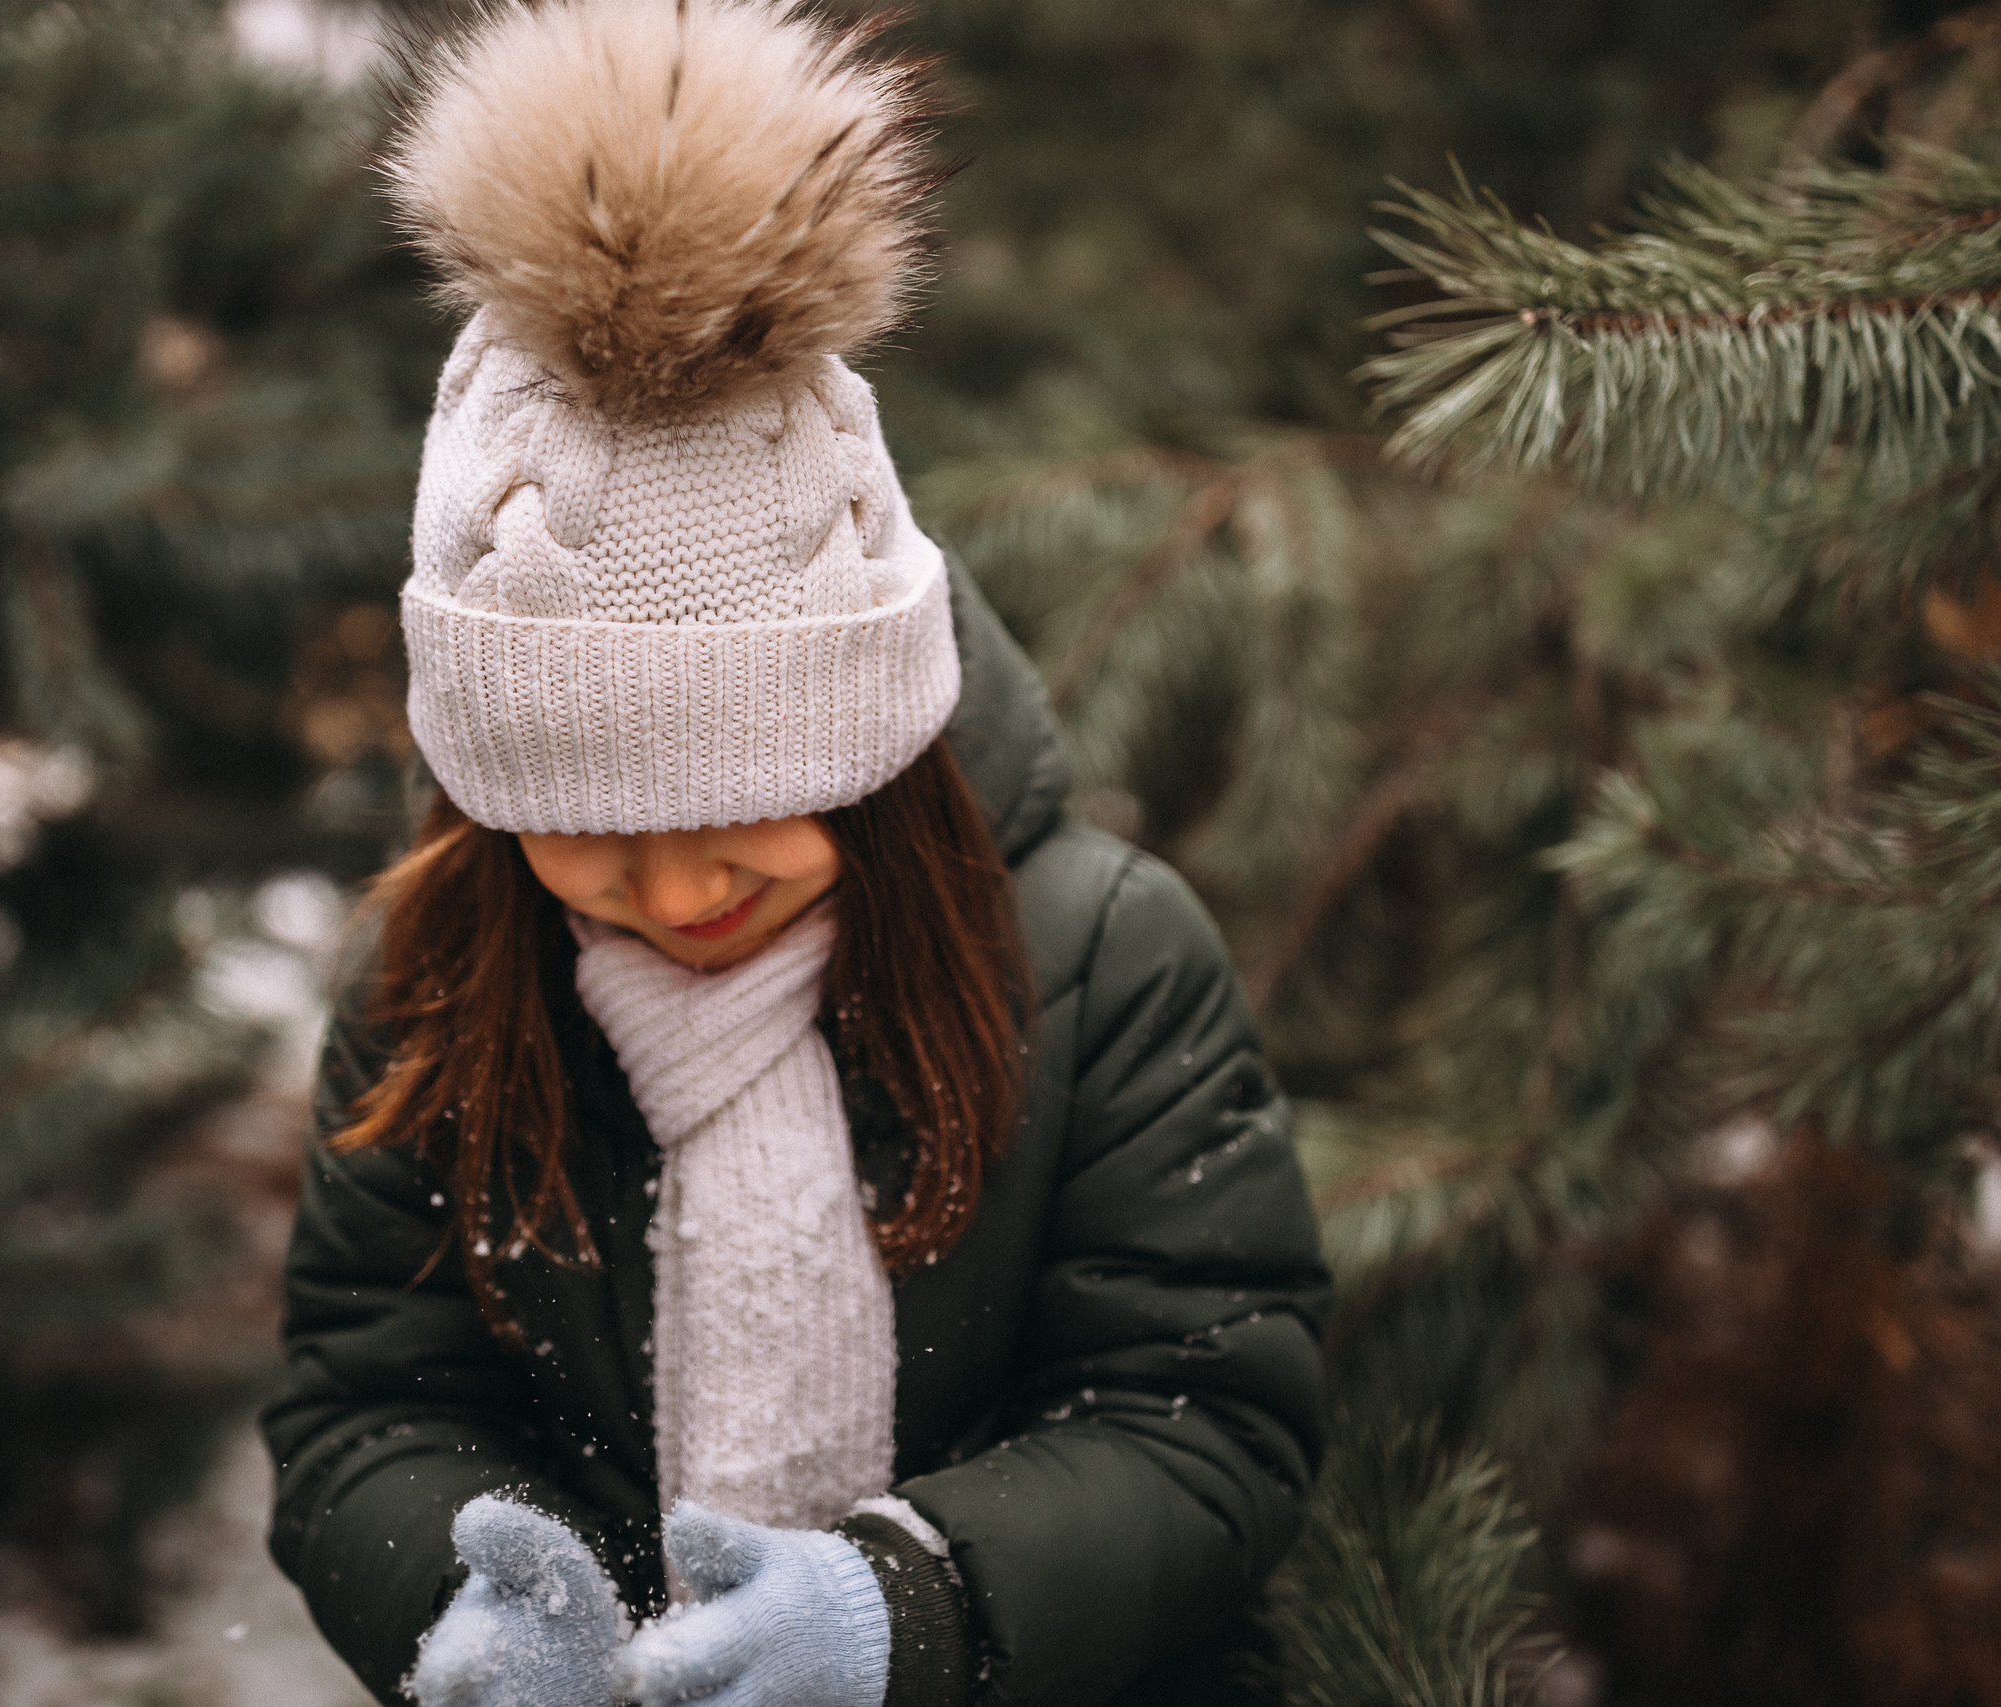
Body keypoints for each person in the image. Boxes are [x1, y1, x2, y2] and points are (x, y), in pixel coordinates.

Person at [260, 2, 1331, 1703]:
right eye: (591, 834)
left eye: (745, 810)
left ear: (876, 753)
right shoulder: (438, 986)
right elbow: (368, 1404)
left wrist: (916, 1612)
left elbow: (1202, 1419)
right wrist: (464, 1598)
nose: (679, 894)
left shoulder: (1103, 960)